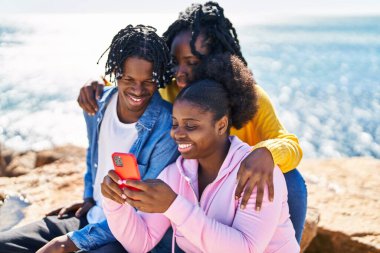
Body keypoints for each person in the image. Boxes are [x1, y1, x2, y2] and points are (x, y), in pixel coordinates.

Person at [78, 1, 307, 243]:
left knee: (289, 178)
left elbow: (290, 144)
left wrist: (265, 153)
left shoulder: (252, 96)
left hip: (246, 181)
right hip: (193, 185)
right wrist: (96, 81)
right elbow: (133, 82)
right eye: (175, 62)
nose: (180, 72)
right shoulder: (172, 89)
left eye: (192, 62)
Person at [0, 25, 179, 253]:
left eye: (148, 81)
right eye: (128, 79)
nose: (138, 90)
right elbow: (93, 154)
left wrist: (70, 242)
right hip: (89, 217)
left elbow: (144, 213)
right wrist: (88, 196)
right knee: (5, 245)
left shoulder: (167, 127)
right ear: (115, 71)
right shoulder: (97, 104)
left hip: (127, 235)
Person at [102, 53, 300, 253]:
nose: (177, 134)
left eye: (190, 126)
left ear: (221, 125)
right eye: (175, 124)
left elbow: (246, 248)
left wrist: (174, 206)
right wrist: (115, 202)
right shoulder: (175, 175)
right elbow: (141, 243)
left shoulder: (258, 174)